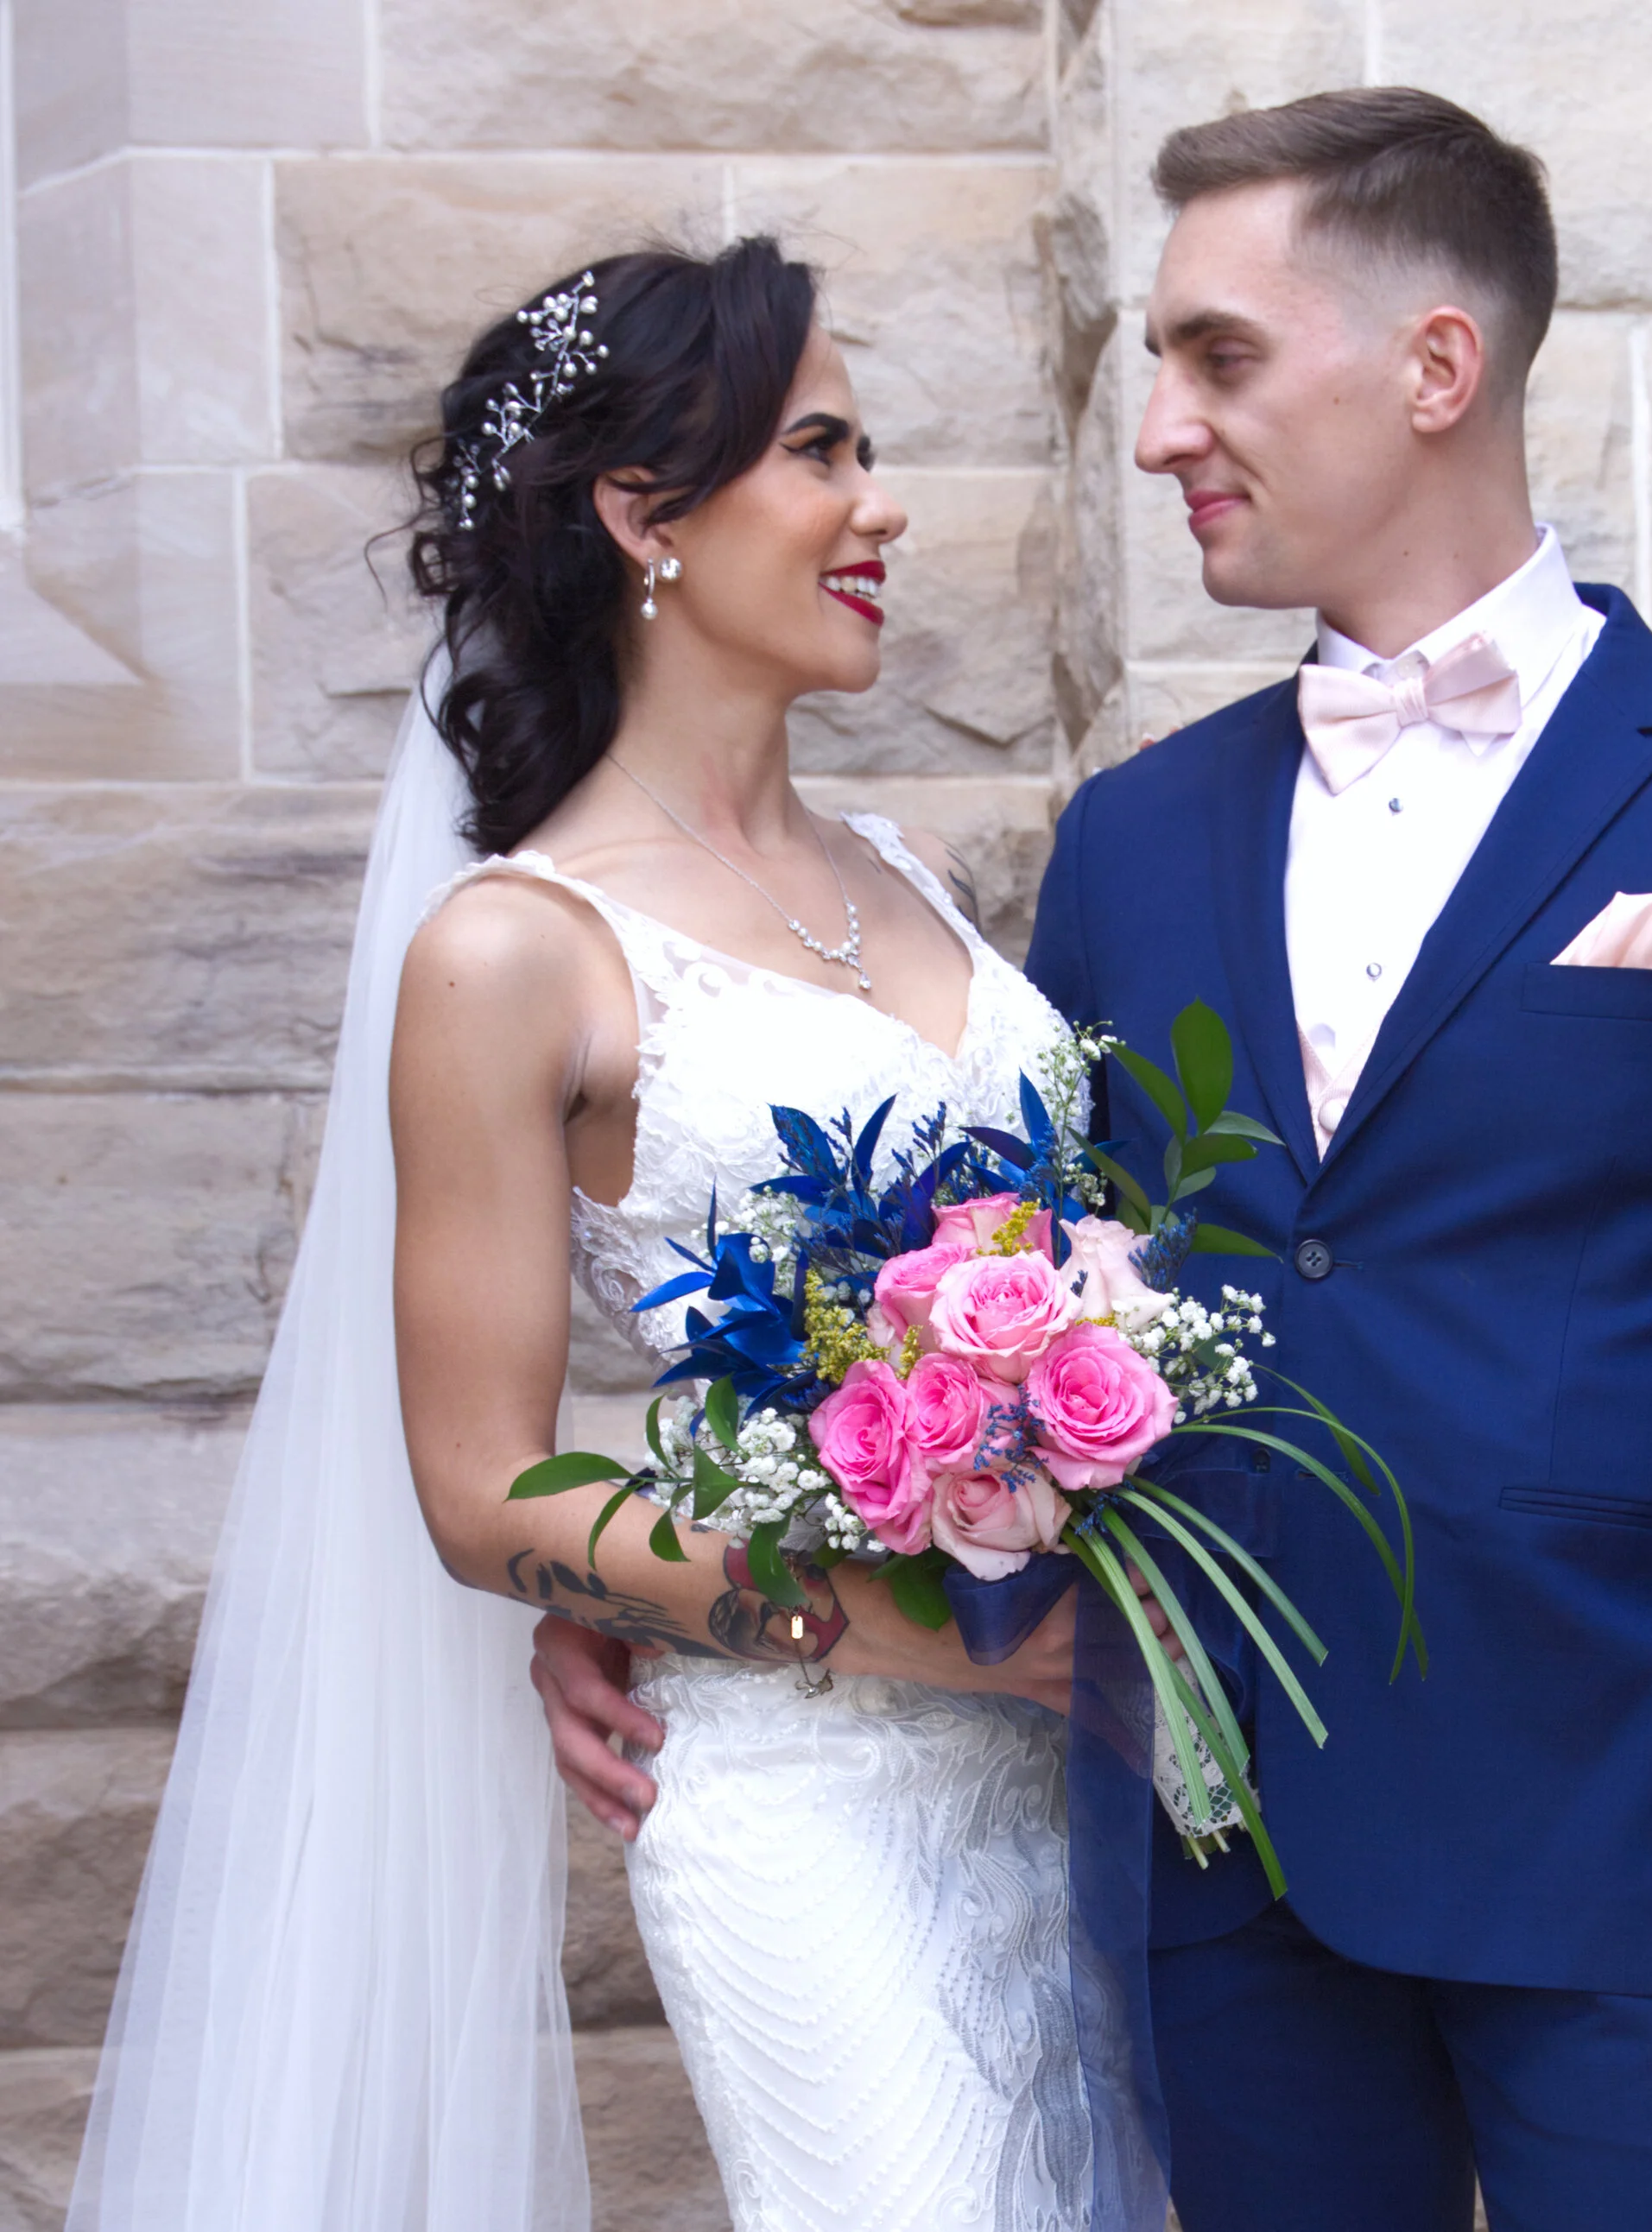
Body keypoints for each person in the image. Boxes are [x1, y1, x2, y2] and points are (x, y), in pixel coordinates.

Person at [540, 88, 1652, 2232]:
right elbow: (996, 1305)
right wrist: (671, 1584)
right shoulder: (1138, 835)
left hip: (1627, 1887)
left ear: (1432, 368)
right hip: (1205, 1873)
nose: (1155, 432)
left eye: (1216, 356)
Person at [73, 237, 1166, 2232]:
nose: (881, 506)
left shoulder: (906, 872)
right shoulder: (515, 948)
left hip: (1082, 1780)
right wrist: (945, 1640)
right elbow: (480, 1486)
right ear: (641, 516)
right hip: (818, 1799)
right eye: (821, 451)